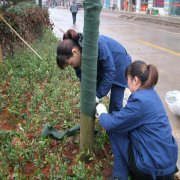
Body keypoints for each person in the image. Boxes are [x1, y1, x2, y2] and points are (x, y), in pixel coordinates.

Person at [96, 60, 178, 180]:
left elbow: (112, 124)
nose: (127, 84)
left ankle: (119, 176)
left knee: (116, 132)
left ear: (135, 80)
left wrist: (101, 111)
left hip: (153, 170)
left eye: (127, 80)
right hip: (168, 164)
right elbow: (128, 118)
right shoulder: (152, 95)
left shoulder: (139, 100)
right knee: (125, 128)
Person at [56, 29, 132, 113]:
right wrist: (89, 93)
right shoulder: (79, 52)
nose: (72, 66)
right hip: (103, 64)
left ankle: (116, 123)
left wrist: (97, 95)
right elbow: (82, 75)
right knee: (94, 93)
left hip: (120, 63)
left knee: (115, 102)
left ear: (74, 52)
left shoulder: (95, 44)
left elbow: (110, 71)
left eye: (71, 63)